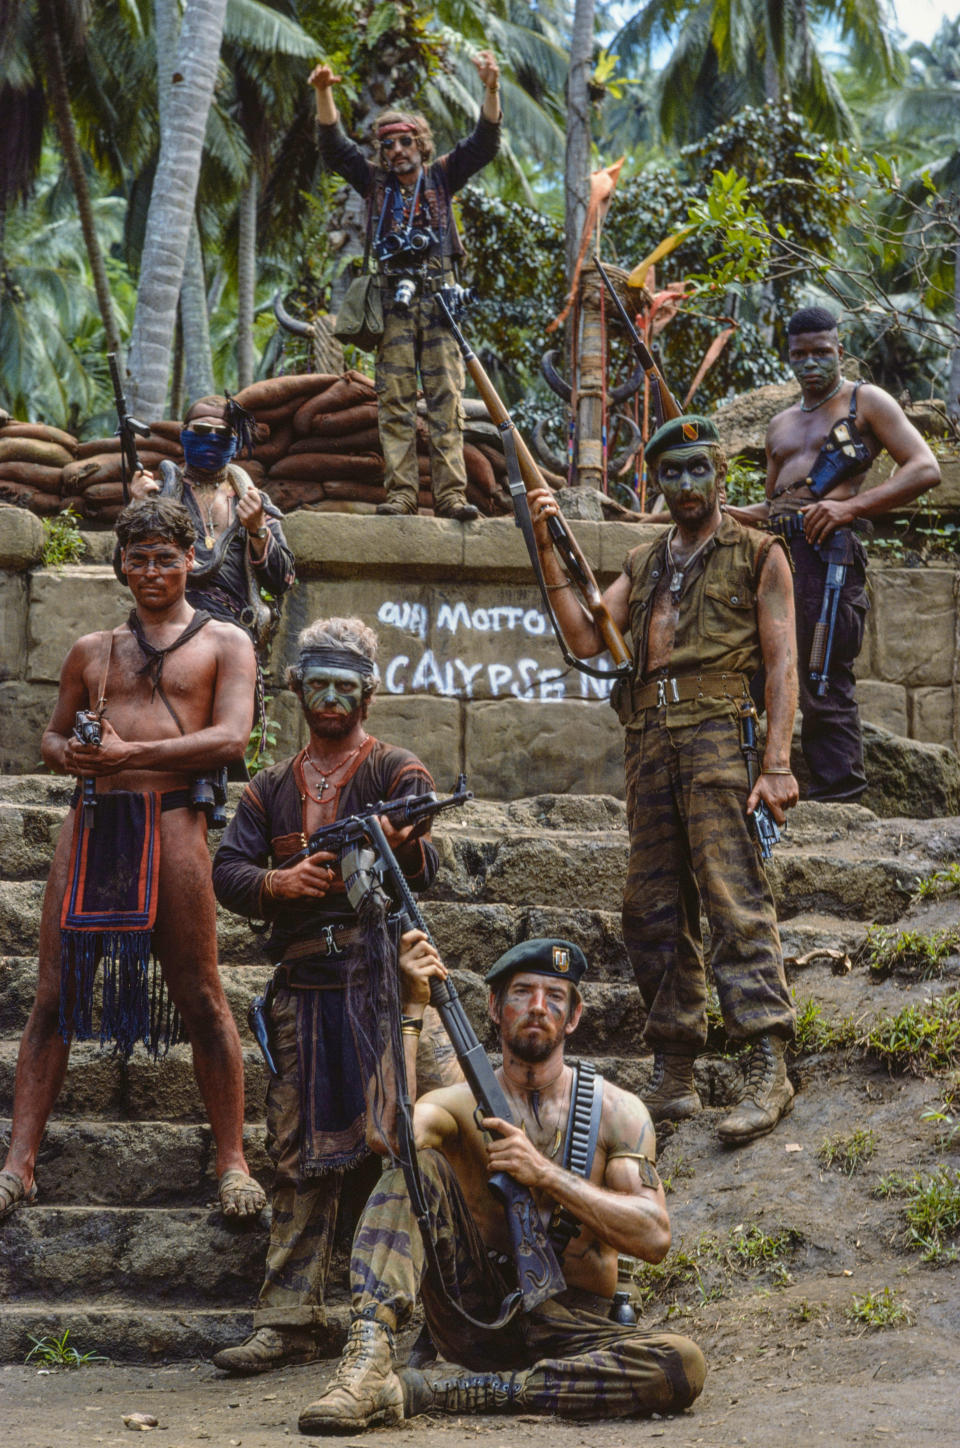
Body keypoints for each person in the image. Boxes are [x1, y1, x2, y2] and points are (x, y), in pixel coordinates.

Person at [295, 932, 706, 1433]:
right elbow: (387, 1136)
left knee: (681, 1364)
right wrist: (411, 1008)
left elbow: (654, 1236)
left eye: (555, 997)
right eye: (521, 993)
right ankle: (366, 1360)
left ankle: (444, 1391)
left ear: (574, 1017)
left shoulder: (618, 1113)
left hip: (577, 1329)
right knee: (415, 1169)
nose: (538, 1007)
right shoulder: (459, 1102)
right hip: (475, 1321)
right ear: (494, 1007)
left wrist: (544, 1173)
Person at [526, 417, 799, 1144]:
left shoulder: (758, 554)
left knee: (732, 895)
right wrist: (549, 547)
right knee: (649, 909)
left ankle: (768, 1064)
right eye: (670, 473)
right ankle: (675, 1072)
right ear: (657, 483)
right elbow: (586, 639)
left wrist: (776, 764)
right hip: (649, 741)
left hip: (719, 737)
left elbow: (782, 665)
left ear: (719, 476)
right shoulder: (644, 561)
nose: (684, 485)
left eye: (696, 470)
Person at [0, 498, 265, 1225]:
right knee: (52, 996)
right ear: (121, 564)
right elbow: (50, 742)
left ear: (192, 561)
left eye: (166, 557)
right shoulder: (93, 650)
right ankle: (18, 1163)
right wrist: (80, 755)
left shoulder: (225, 643)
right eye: (139, 557)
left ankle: (233, 1162)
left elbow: (232, 738)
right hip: (94, 824)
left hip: (176, 821)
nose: (152, 571)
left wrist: (133, 754)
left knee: (204, 996)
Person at [210, 616, 460, 1375]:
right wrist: (279, 883)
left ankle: (412, 1310)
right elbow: (228, 873)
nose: (328, 700)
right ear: (295, 691)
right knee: (295, 1156)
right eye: (315, 685)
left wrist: (401, 841)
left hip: (382, 984)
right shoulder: (268, 791)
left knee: (404, 1139)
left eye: (343, 687)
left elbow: (429, 855)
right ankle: (289, 1318)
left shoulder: (395, 769)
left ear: (368, 695)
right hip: (301, 994)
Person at [724, 306, 940, 801]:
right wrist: (732, 512)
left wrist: (851, 508)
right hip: (776, 552)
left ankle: (839, 798)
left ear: (840, 351)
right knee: (753, 666)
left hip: (829, 556)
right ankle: (742, 782)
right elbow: (779, 503)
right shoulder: (779, 424)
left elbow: (925, 467)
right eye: (800, 355)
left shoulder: (865, 402)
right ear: (789, 358)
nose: (811, 364)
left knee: (822, 671)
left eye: (822, 353)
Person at [309, 52, 502, 521]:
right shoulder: (373, 183)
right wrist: (323, 91)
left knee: (446, 400)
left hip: (439, 298)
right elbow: (335, 148)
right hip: (393, 299)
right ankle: (401, 495)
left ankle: (452, 496)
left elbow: (484, 144)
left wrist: (491, 88)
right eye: (388, 143)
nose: (396, 149)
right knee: (393, 400)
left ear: (421, 143)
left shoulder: (441, 175)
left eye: (405, 141)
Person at [128, 393, 295, 649]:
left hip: (234, 635)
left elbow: (282, 580)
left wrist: (258, 530)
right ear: (184, 432)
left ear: (236, 441)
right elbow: (125, 570)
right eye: (202, 430)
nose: (213, 438)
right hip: (165, 633)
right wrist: (138, 508)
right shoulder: (158, 496)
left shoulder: (252, 501)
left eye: (223, 433)